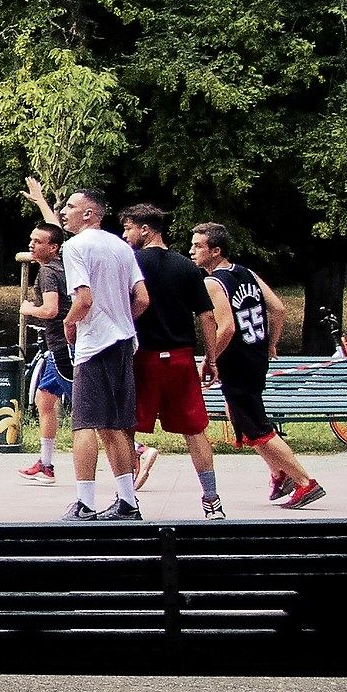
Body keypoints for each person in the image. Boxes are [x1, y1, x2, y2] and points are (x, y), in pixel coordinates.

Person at [190, 222, 324, 509]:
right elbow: (277, 308)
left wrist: (209, 360)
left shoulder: (212, 283)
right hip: (255, 357)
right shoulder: (245, 272)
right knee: (244, 420)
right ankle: (278, 472)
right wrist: (270, 343)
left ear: (215, 251)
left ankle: (304, 481)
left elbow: (226, 328)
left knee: (256, 425)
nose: (192, 251)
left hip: (237, 361)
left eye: (198, 246)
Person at [120, 204, 227, 519]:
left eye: (128, 228)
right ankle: (212, 501)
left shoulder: (132, 263)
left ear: (146, 229)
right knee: (195, 431)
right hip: (180, 358)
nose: (125, 235)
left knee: (127, 430)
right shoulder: (187, 267)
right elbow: (207, 317)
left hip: (143, 357)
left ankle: (128, 501)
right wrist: (211, 358)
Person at [57, 188, 150, 520]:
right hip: (124, 341)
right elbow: (141, 299)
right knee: (114, 426)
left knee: (84, 425)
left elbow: (83, 300)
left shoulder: (75, 247)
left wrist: (69, 325)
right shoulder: (121, 246)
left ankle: (85, 503)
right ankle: (127, 502)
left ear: (89, 213)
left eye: (70, 206)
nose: (62, 211)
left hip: (95, 344)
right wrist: (120, 319)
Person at [16, 213, 73, 486]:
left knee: (89, 409)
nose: (32, 245)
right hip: (57, 349)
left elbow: (51, 310)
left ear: (53, 248)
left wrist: (28, 310)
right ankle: (46, 464)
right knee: (45, 399)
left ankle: (137, 450)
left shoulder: (49, 271)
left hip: (63, 348)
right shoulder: (63, 265)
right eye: (31, 240)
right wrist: (40, 201)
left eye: (38, 242)